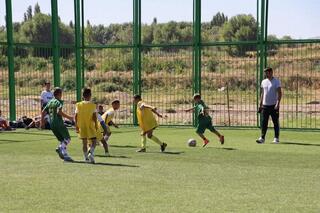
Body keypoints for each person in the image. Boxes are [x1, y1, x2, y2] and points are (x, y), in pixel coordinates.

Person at [75, 88, 108, 164]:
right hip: (90, 126)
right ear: (90, 96)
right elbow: (94, 117)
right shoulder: (93, 106)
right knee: (94, 141)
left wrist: (76, 126)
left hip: (81, 126)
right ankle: (91, 152)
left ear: (83, 96)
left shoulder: (78, 105)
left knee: (84, 143)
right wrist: (96, 126)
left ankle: (86, 158)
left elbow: (75, 116)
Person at [41, 87, 74, 162]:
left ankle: (65, 156)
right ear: (59, 94)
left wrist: (42, 122)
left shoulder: (50, 102)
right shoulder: (59, 102)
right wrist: (70, 117)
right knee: (68, 139)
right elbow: (59, 112)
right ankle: (60, 148)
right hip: (58, 123)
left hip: (52, 124)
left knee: (62, 140)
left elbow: (43, 112)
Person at [256, 67, 282, 144]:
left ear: (271, 72)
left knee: (275, 122)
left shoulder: (276, 81)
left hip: (274, 105)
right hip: (265, 106)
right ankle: (262, 138)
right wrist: (260, 105)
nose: (266, 74)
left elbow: (280, 93)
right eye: (265, 73)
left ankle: (276, 138)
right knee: (264, 123)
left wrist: (277, 103)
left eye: (267, 72)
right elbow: (262, 94)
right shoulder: (263, 82)